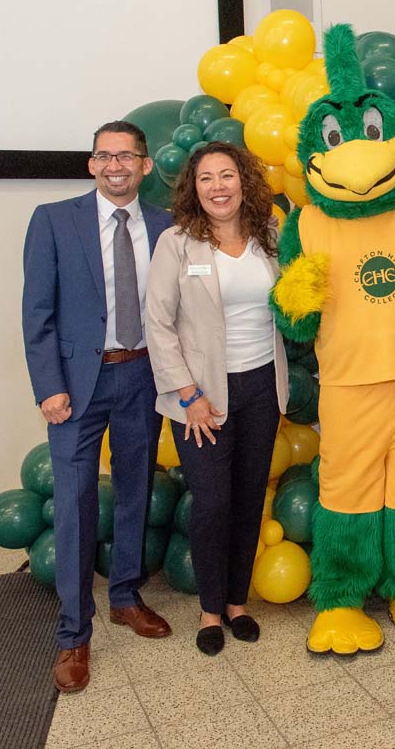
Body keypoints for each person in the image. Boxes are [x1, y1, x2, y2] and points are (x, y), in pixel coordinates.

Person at [23, 121, 173, 693]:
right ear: (91, 164)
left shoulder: (166, 227)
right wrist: (48, 386)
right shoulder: (54, 220)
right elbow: (36, 312)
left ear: (144, 164)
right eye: (104, 156)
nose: (115, 165)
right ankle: (72, 634)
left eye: (126, 156)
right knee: (76, 504)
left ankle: (126, 597)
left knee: (137, 489)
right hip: (76, 386)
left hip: (143, 378)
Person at [145, 142, 289, 655]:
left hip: (261, 388)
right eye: (206, 178)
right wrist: (189, 395)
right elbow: (158, 324)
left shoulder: (270, 238)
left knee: (250, 496)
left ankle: (236, 603)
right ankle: (209, 609)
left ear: (244, 182)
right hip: (201, 396)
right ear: (194, 188)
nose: (218, 187)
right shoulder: (177, 244)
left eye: (227, 175)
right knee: (211, 502)